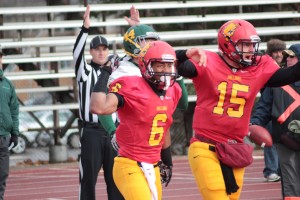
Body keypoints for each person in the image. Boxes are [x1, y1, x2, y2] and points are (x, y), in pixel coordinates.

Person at [176, 19, 300, 200]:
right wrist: (182, 54)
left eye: (252, 45)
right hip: (205, 145)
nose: (251, 50)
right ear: (227, 44)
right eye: (245, 45)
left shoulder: (259, 65)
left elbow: (290, 75)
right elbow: (169, 63)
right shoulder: (207, 61)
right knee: (217, 196)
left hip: (235, 147)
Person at [90, 40, 184, 200]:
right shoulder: (131, 86)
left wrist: (167, 161)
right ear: (146, 66)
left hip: (154, 164)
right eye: (160, 66)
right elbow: (98, 107)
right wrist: (106, 71)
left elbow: (164, 126)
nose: (166, 71)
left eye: (169, 66)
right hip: (129, 163)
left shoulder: (174, 90)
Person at [73, 5, 123, 200]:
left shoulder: (116, 73)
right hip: (91, 132)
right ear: (91, 52)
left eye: (104, 49)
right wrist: (84, 29)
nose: (101, 53)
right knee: (88, 180)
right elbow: (76, 55)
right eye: (97, 49)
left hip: (113, 132)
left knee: (116, 179)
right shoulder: (85, 72)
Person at [250, 44, 300, 198]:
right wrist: (255, 124)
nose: (288, 59)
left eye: (292, 56)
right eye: (287, 56)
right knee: (292, 186)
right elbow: (263, 108)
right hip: (286, 140)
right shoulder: (275, 82)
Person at [251, 38, 286, 182]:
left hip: (284, 109)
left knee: (284, 140)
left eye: (280, 51)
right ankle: (271, 170)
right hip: (269, 109)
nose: (278, 54)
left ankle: (279, 169)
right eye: (275, 51)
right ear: (269, 53)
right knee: (269, 139)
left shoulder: (286, 69)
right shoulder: (264, 68)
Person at [0, 49, 19, 200]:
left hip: (3, 137)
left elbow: (14, 110)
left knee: (2, 174)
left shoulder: (7, 85)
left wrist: (15, 133)